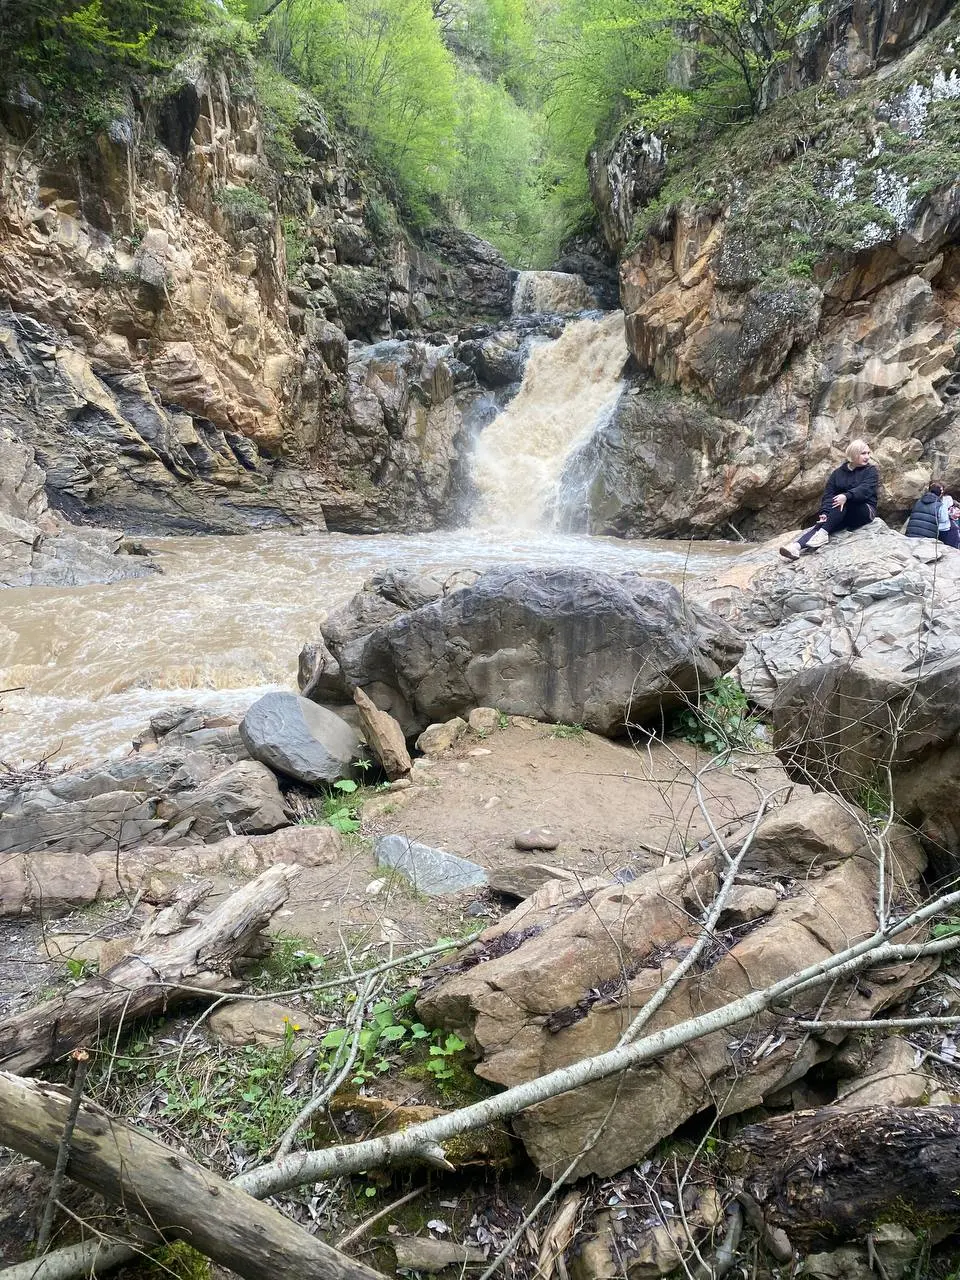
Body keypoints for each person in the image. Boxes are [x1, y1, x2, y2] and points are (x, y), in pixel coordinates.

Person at [780, 439, 878, 561]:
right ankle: (796, 547)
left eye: (868, 453)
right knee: (824, 523)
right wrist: (825, 513)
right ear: (853, 454)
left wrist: (847, 496)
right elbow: (828, 494)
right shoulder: (838, 473)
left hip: (864, 510)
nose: (867, 457)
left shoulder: (871, 471)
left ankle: (823, 533)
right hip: (843, 511)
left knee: (841, 500)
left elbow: (865, 489)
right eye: (863, 453)